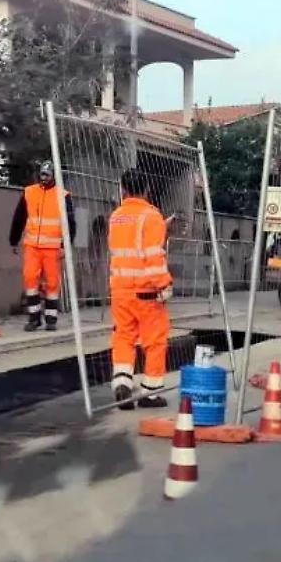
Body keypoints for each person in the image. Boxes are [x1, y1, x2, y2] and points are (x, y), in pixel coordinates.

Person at [108, 169, 173, 409]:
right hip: (146, 292)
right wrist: (164, 284)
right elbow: (152, 256)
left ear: (123, 189)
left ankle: (122, 382)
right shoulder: (151, 216)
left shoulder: (116, 216)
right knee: (155, 341)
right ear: (146, 189)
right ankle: (150, 392)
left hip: (120, 289)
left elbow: (125, 249)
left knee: (124, 336)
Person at [9, 161, 76, 331]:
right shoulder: (29, 192)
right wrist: (13, 240)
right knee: (30, 279)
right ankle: (34, 318)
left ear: (54, 176)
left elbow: (70, 223)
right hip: (32, 245)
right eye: (42, 174)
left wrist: (66, 245)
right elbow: (19, 218)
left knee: (52, 283)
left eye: (47, 174)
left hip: (52, 248)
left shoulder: (63, 196)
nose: (43, 177)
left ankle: (51, 319)